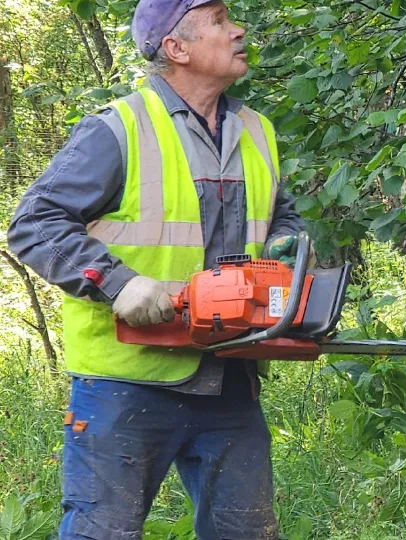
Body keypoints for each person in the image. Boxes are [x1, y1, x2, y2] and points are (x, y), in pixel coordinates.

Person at [6, 0, 309, 537]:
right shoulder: (118, 128)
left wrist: (286, 241)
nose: (238, 29)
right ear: (177, 47)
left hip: (229, 375)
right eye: (220, 21)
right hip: (126, 382)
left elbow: (279, 212)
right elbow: (34, 223)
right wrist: (117, 284)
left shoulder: (256, 129)